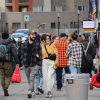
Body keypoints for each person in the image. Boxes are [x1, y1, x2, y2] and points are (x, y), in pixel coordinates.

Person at [21, 31, 42, 98]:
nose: (34, 36)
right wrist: (22, 63)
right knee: (29, 79)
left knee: (32, 78)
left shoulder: (37, 44)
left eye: (34, 35)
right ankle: (33, 92)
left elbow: (40, 54)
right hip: (26, 64)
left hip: (35, 64)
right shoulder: (24, 44)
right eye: (32, 35)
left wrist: (39, 64)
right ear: (29, 35)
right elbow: (21, 54)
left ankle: (29, 91)